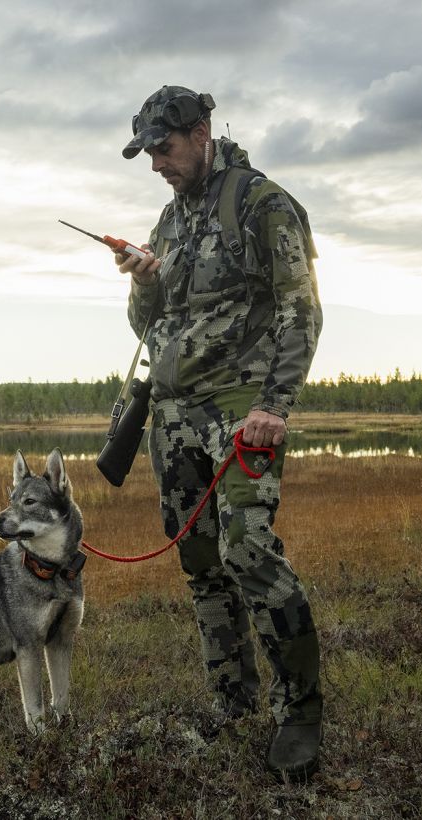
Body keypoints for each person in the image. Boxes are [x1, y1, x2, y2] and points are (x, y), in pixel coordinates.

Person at [115, 85, 324, 781]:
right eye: (147, 153)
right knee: (202, 566)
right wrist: (144, 279)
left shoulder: (263, 204)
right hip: (172, 416)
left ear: (201, 132)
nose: (155, 165)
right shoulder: (171, 221)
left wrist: (276, 404)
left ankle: (300, 714)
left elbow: (301, 308)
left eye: (164, 149)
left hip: (241, 408)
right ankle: (233, 704)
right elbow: (152, 327)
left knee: (248, 551)